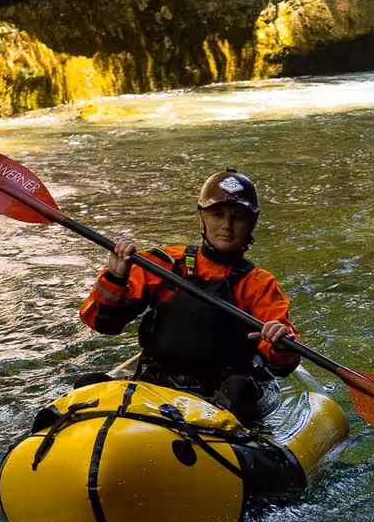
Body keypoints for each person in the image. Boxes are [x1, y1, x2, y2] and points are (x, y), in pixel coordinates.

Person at [78, 169, 300, 425]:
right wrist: (116, 278)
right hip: (159, 381)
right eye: (217, 214)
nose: (226, 226)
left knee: (238, 391)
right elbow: (104, 324)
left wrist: (280, 342)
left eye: (237, 217)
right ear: (202, 217)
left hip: (224, 390)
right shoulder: (166, 264)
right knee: (88, 385)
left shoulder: (258, 283)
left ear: (251, 223)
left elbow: (283, 363)